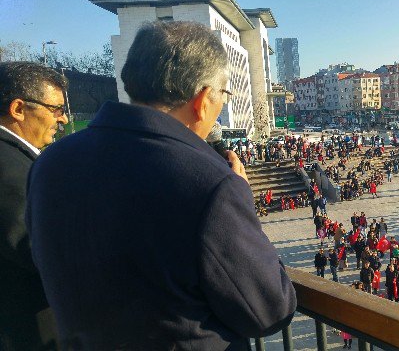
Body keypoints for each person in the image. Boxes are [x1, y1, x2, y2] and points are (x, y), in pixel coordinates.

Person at [26, 21, 296, 349]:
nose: (222, 104)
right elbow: (269, 311)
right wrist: (242, 201)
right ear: (203, 98)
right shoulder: (211, 184)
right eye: (224, 94)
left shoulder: (50, 162)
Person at [0, 62, 69, 350]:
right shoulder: (9, 168)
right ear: (18, 109)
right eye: (55, 109)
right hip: (27, 332)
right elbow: (39, 249)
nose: (63, 119)